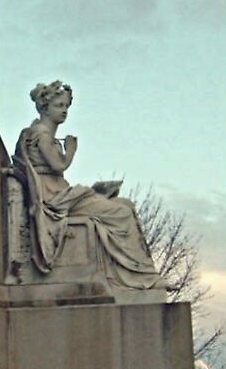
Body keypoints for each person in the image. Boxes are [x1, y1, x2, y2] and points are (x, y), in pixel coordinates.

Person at [13, 80, 158, 288]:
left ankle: (139, 273)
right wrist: (71, 150)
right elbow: (58, 165)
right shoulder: (41, 134)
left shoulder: (40, 133)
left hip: (61, 193)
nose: (64, 110)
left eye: (66, 106)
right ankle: (139, 276)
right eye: (59, 106)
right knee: (122, 213)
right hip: (54, 197)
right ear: (44, 108)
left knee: (125, 204)